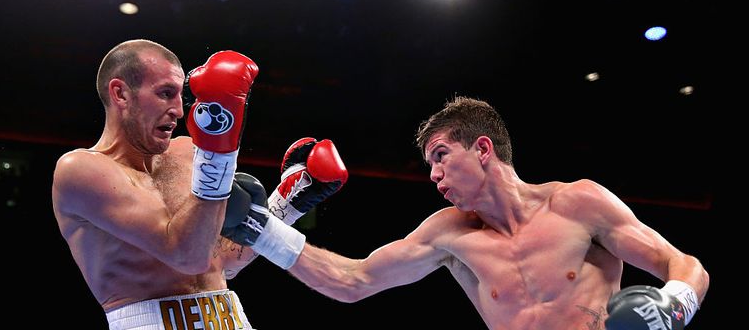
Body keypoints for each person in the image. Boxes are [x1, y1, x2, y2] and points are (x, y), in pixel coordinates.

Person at [222, 96, 710, 330]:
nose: (433, 175)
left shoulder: (578, 203)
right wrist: (263, 231)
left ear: (482, 148)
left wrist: (673, 306)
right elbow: (354, 281)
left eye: (440, 156)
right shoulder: (448, 234)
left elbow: (686, 267)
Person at [52, 39, 350, 329]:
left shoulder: (185, 151)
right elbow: (186, 255)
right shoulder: (80, 170)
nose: (180, 111)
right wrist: (220, 151)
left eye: (179, 96)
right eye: (165, 93)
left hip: (230, 317)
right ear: (120, 94)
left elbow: (222, 262)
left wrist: (287, 205)